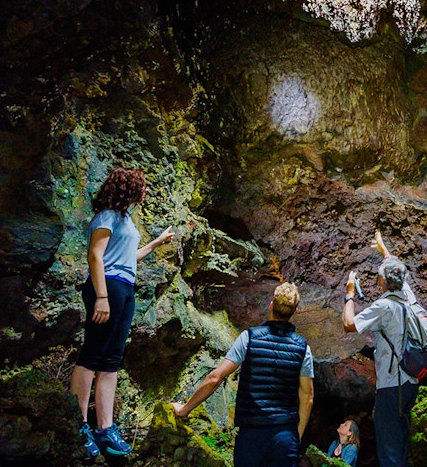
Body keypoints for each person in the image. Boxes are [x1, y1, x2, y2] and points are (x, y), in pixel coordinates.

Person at [69, 167, 175, 457]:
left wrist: (156, 243)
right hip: (108, 286)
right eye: (142, 185)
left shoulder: (125, 219)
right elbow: (95, 256)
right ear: (129, 188)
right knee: (92, 355)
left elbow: (129, 257)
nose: (146, 190)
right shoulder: (107, 216)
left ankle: (105, 429)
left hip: (125, 287)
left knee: (112, 360)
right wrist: (102, 296)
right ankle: (77, 425)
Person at [173, 282, 315, 467]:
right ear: (295, 312)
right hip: (285, 435)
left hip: (251, 434)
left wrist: (184, 409)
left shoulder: (249, 338)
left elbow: (215, 378)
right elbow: (307, 397)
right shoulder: (303, 349)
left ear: (271, 305)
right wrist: (297, 435)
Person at [342, 230, 418, 467]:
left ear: (382, 281)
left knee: (389, 450)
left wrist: (349, 294)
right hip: (411, 383)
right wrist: (383, 249)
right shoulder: (407, 295)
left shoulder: (384, 306)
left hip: (392, 386)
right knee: (401, 441)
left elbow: (349, 324)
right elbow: (396, 269)